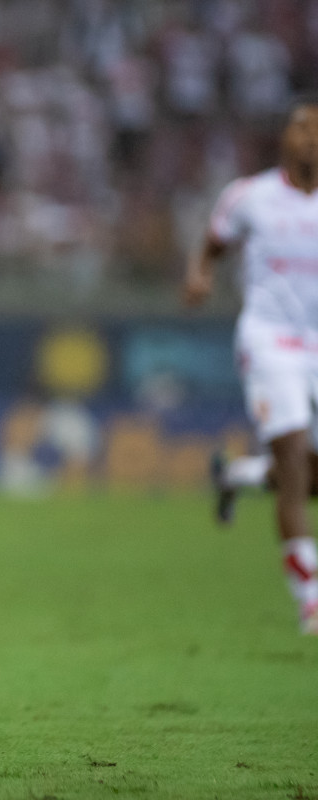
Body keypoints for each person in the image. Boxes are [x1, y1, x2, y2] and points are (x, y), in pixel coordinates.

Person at [183, 96, 318, 635]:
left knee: (307, 475)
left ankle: (238, 474)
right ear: (284, 139)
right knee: (291, 454)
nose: (310, 136)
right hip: (269, 340)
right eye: (301, 127)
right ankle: (309, 593)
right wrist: (200, 275)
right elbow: (213, 244)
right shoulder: (250, 197)